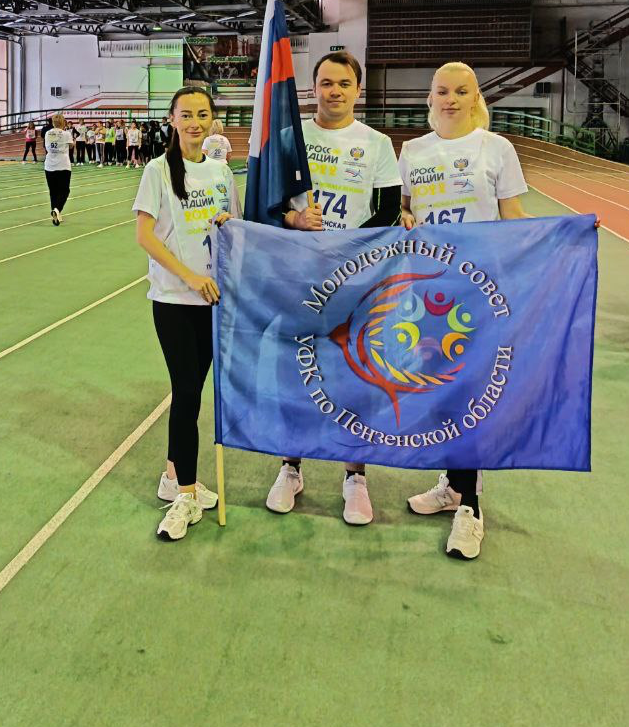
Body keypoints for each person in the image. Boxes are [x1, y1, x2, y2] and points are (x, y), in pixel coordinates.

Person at [265, 50, 402, 526]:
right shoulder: (291, 138)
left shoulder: (377, 144)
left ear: (357, 90)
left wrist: (349, 251)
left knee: (353, 376)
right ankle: (291, 467)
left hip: (355, 279)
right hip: (297, 273)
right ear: (313, 89)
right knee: (296, 373)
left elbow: (388, 209)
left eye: (344, 83)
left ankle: (355, 477)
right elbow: (267, 202)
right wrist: (295, 220)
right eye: (326, 83)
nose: (335, 91)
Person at [400, 61, 530, 561]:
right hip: (430, 293)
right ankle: (455, 486)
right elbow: (405, 208)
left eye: (461, 91)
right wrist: (404, 216)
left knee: (472, 397)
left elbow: (514, 219)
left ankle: (471, 510)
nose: (450, 99)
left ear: (476, 98)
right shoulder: (413, 151)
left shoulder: (496, 149)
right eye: (442, 91)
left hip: (478, 292)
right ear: (430, 99)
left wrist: (565, 236)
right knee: (442, 394)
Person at [133, 86, 241, 541]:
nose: (195, 123)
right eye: (186, 115)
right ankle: (185, 495)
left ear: (212, 120)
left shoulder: (221, 172)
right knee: (185, 393)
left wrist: (226, 224)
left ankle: (173, 474)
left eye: (202, 114)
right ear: (172, 119)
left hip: (213, 302)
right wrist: (190, 277)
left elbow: (235, 229)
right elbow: (145, 236)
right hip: (175, 301)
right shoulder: (157, 171)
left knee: (194, 392)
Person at [43, 113, 73, 225]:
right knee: (65, 190)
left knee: (53, 192)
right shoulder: (66, 134)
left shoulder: (48, 133)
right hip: (63, 165)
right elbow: (71, 146)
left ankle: (55, 214)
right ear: (63, 122)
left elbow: (48, 145)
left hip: (49, 164)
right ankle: (57, 210)